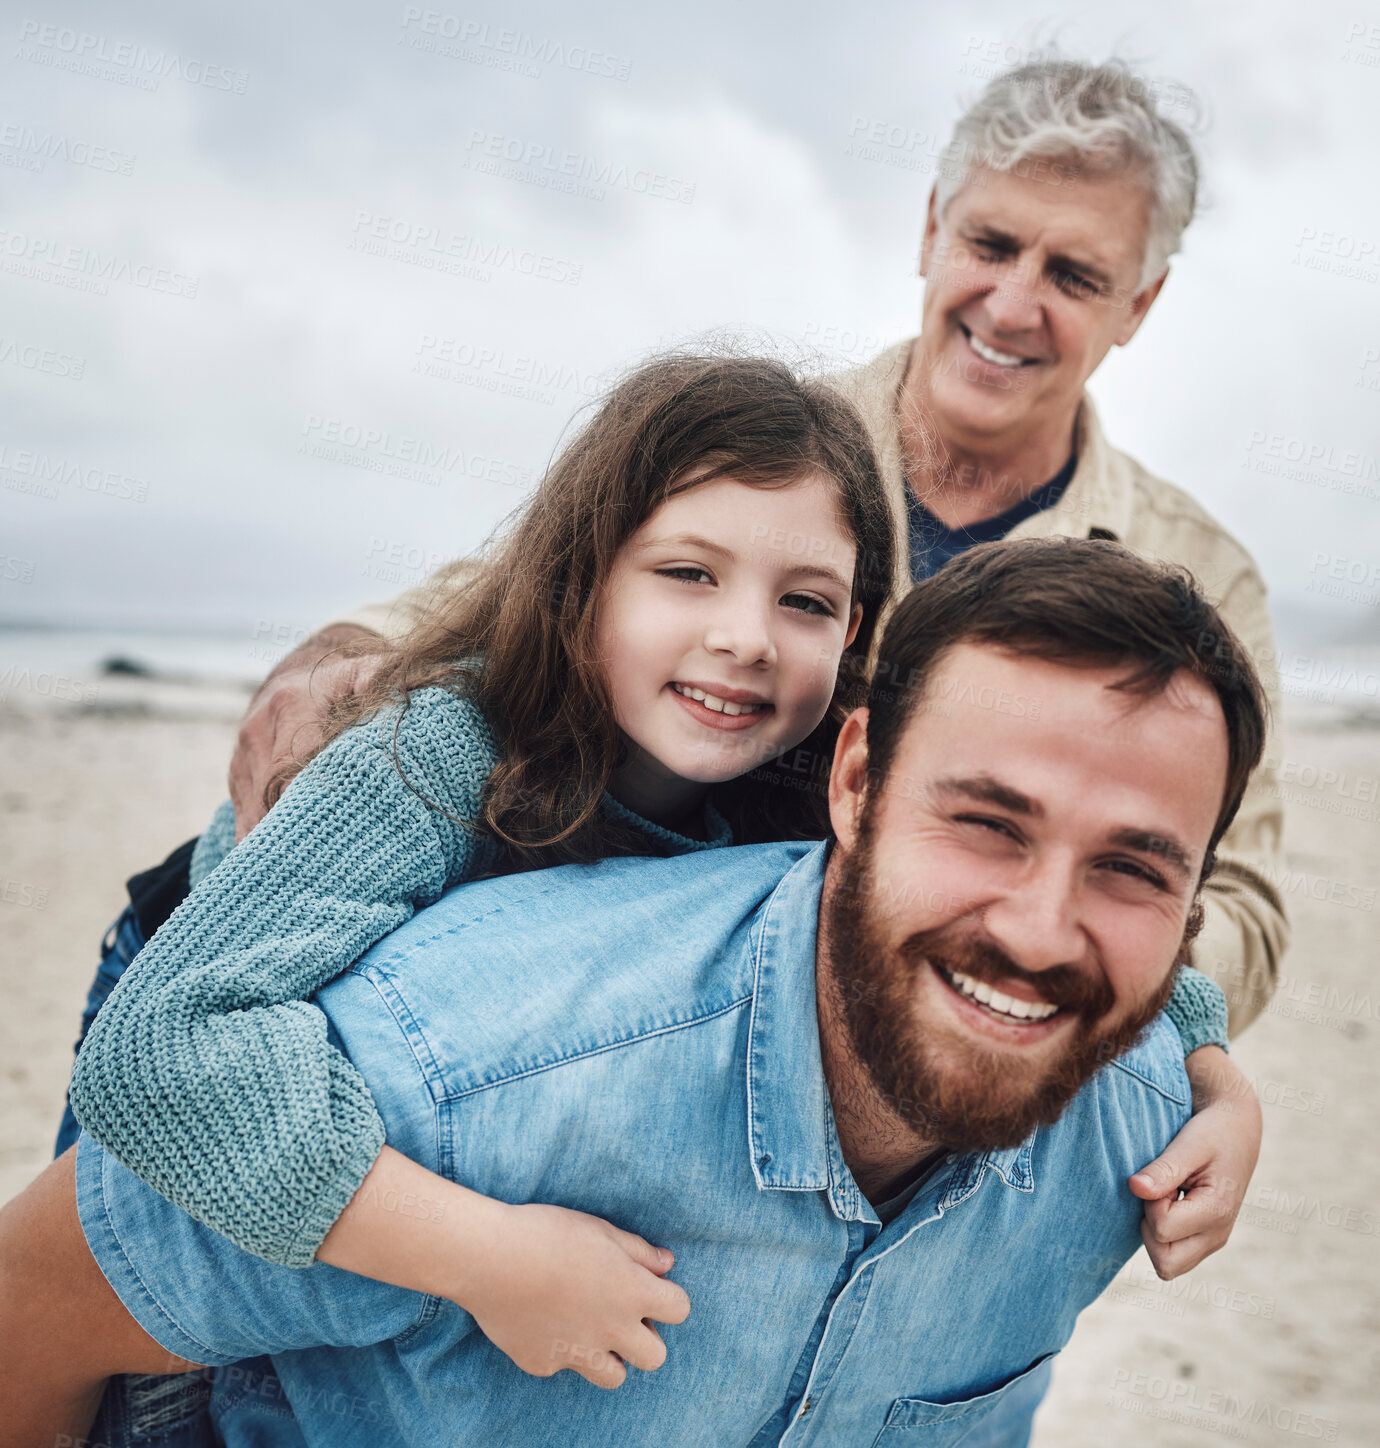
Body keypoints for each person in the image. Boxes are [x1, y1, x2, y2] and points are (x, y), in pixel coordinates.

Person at [3, 537, 1269, 1448]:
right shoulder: (456, 1070)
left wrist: (1210, 1067)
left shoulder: (1136, 1134)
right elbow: (25, 1312)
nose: (1042, 932)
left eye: (1131, 866)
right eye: (989, 823)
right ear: (855, 783)